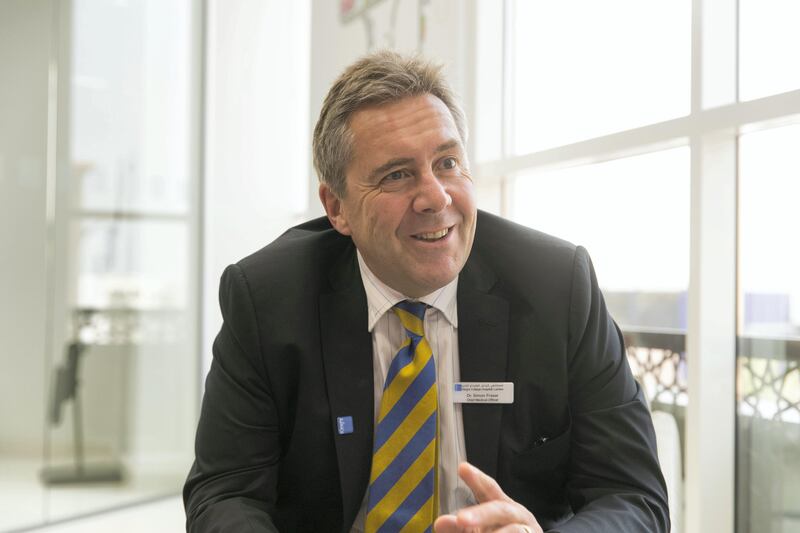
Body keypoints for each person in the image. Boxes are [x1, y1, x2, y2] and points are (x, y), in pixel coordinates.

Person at [183, 50, 669, 533]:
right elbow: (224, 492)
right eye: (397, 174)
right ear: (337, 209)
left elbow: (632, 495)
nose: (436, 197)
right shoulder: (269, 298)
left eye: (448, 162)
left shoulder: (558, 285)